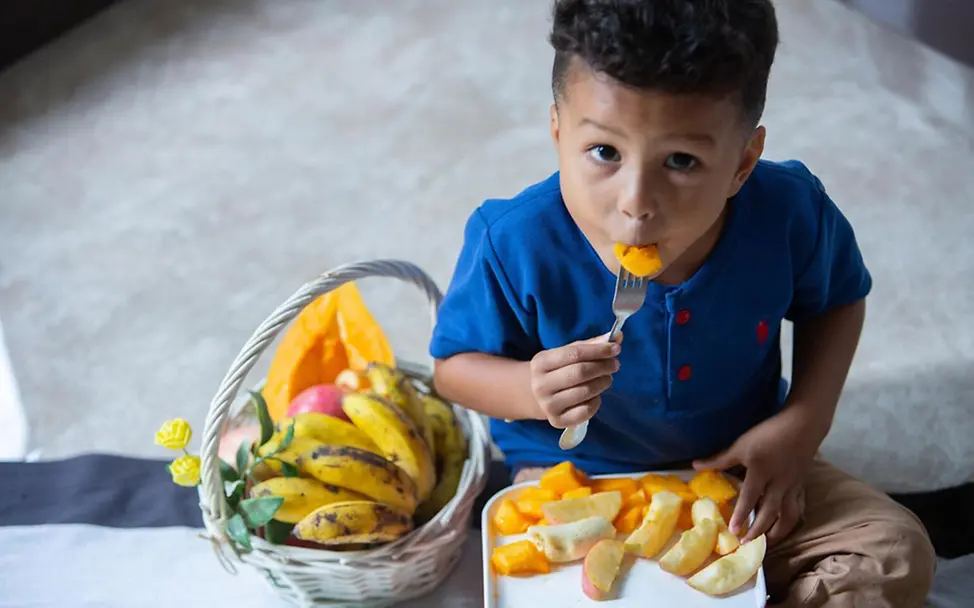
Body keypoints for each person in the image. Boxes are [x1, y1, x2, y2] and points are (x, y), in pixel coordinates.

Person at [428, 0, 935, 605]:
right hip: (577, 481)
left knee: (895, 554)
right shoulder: (510, 242)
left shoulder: (789, 213)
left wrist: (802, 424)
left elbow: (839, 302)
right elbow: (452, 370)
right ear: (559, 130)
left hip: (739, 470)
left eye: (682, 162)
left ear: (743, 162)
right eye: (605, 153)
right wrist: (529, 389)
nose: (637, 202)